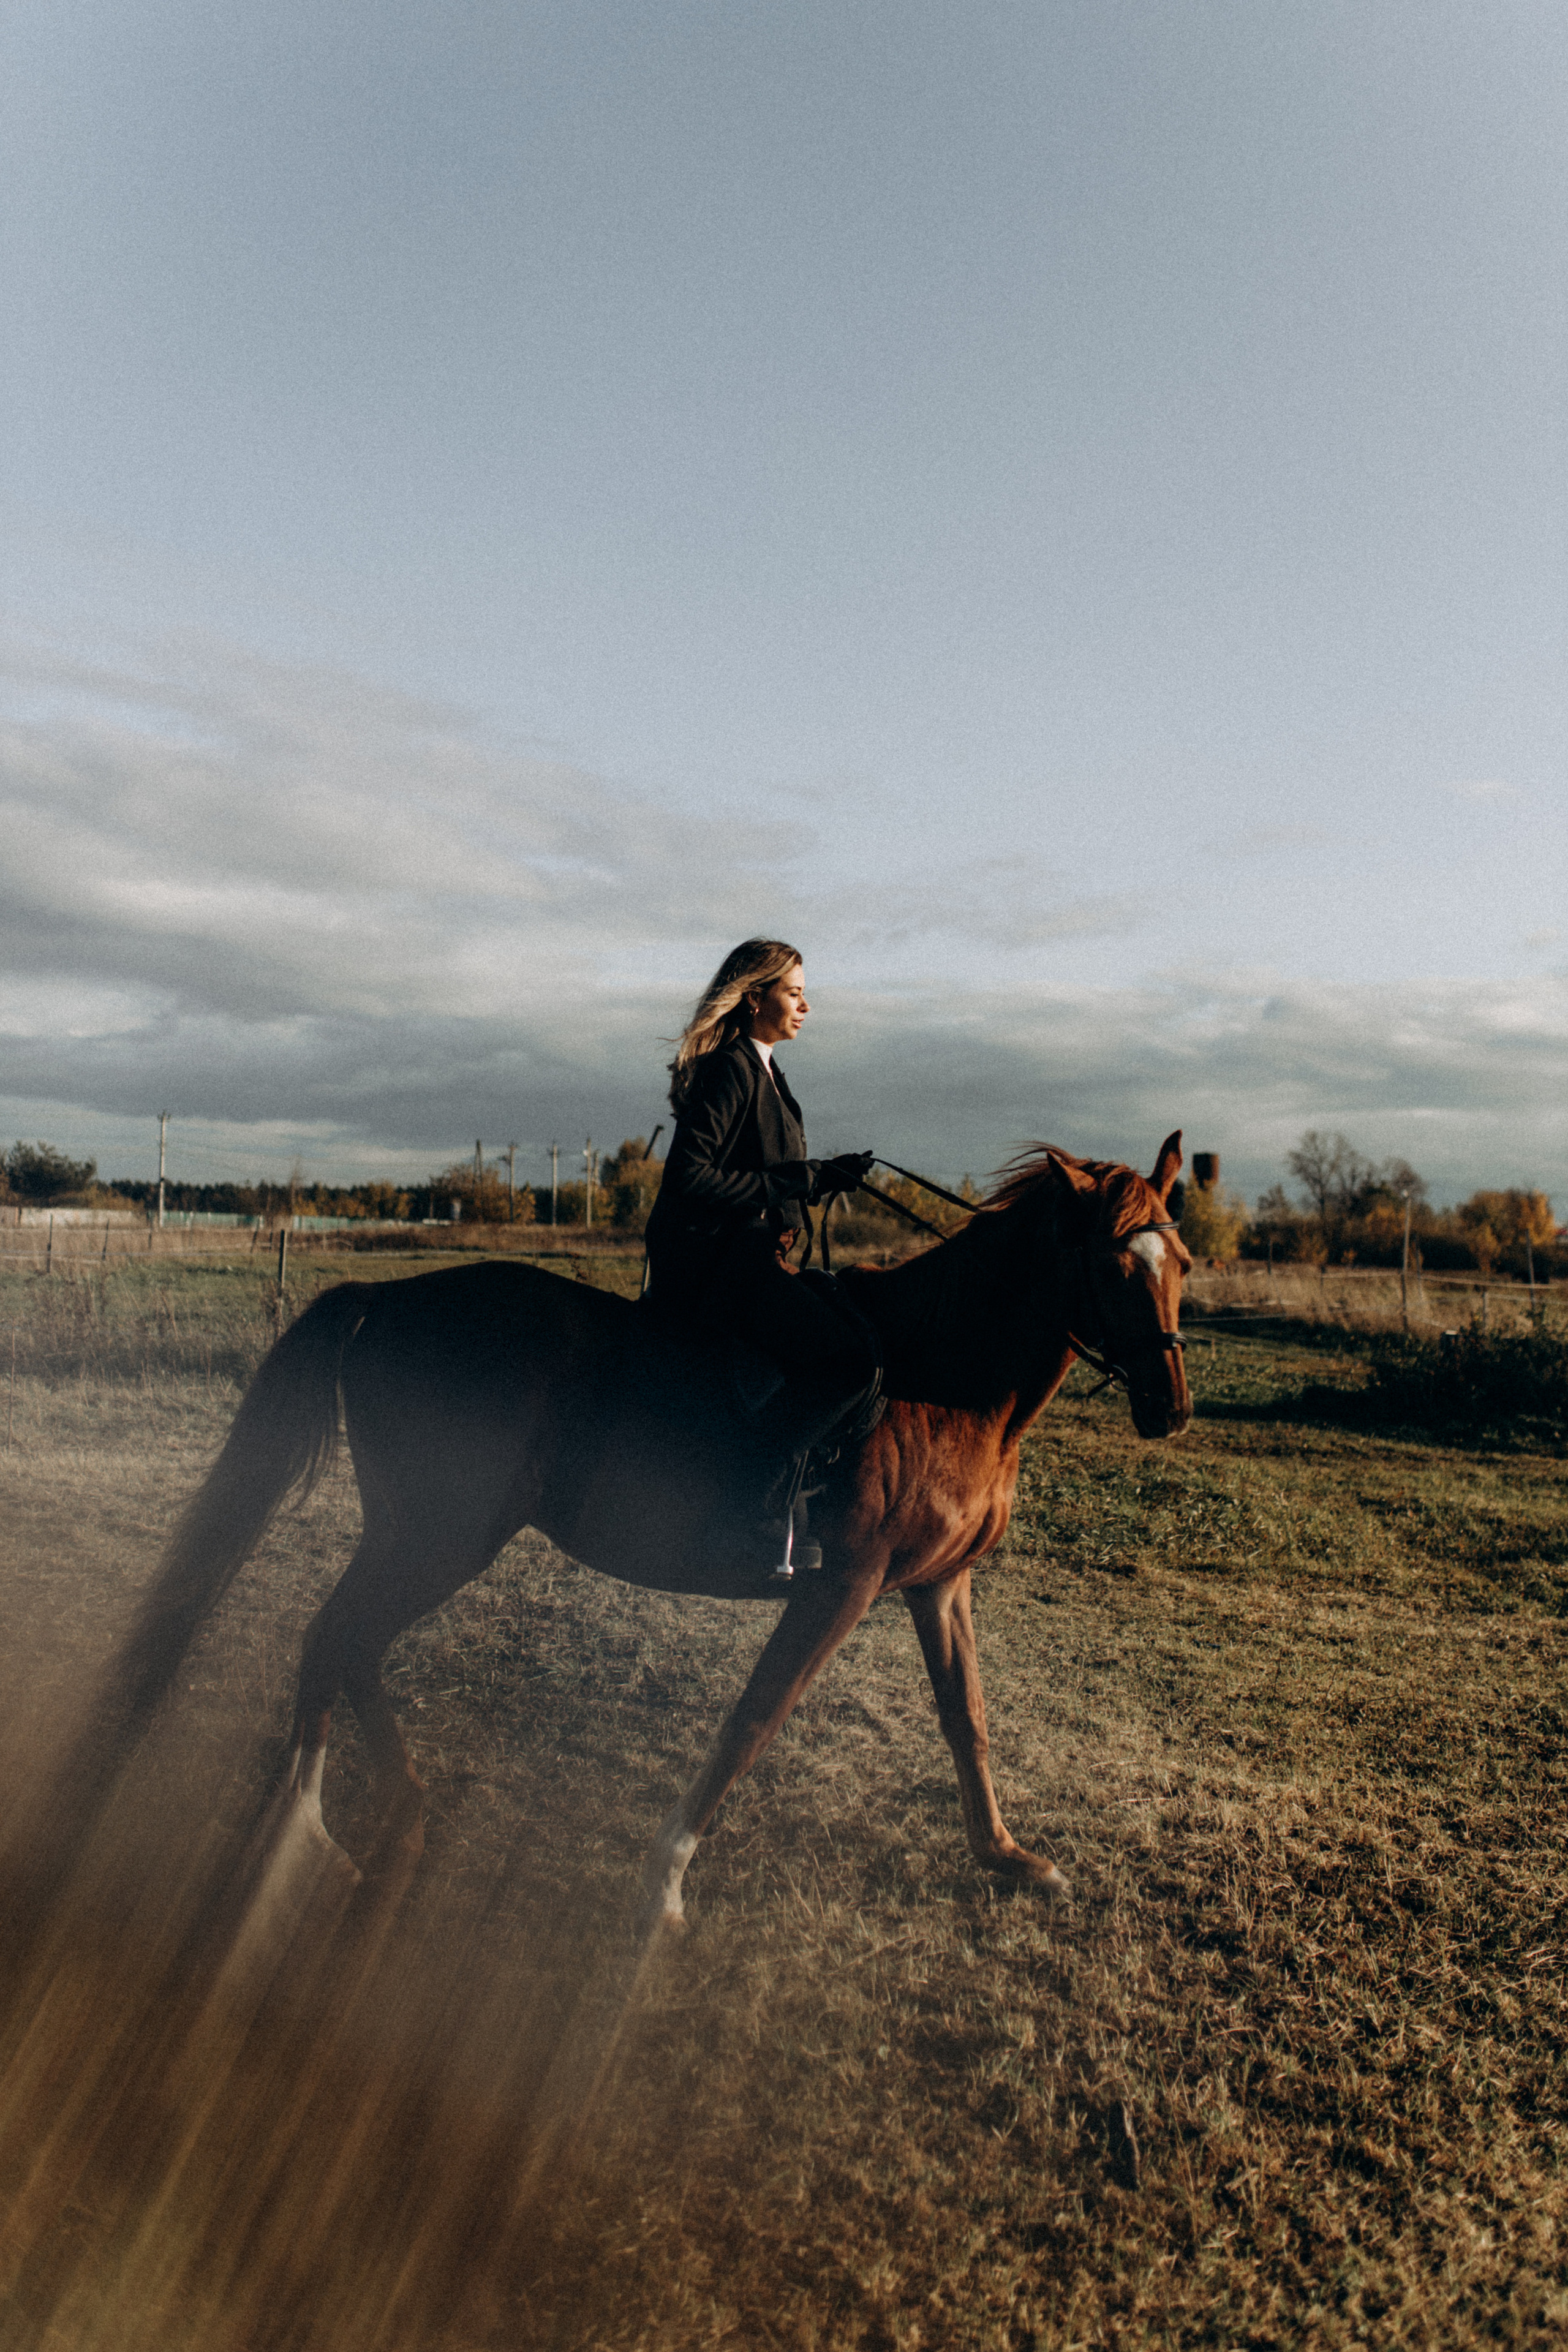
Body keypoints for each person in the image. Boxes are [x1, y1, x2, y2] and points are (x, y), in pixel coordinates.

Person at [643, 938, 880, 1577]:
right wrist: (796, 1181)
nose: (805, 1004)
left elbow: (770, 1169)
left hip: (755, 1255)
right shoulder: (730, 1069)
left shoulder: (769, 1071)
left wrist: (822, 1175)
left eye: (804, 993)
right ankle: (751, 1507)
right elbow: (690, 1177)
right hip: (720, 1266)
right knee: (850, 1363)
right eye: (793, 992)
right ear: (755, 998)